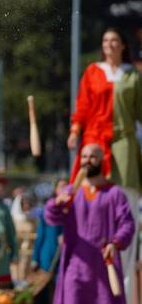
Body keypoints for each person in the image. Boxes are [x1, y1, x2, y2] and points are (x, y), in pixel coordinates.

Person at [68, 27, 142, 302]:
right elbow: (83, 106)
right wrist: (75, 130)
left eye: (114, 40)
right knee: (85, 214)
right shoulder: (92, 71)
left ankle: (124, 295)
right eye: (105, 41)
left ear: (123, 45)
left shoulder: (133, 75)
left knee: (126, 217)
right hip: (94, 147)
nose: (109, 44)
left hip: (123, 147)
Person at [45, 144, 135, 304]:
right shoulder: (71, 191)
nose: (88, 161)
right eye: (84, 156)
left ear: (102, 160)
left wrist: (115, 243)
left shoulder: (115, 193)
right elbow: (51, 218)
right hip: (76, 266)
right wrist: (56, 202)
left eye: (93, 156)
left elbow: (127, 224)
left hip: (103, 265)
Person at [31, 178, 67, 303]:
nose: (64, 190)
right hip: (47, 259)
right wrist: (35, 258)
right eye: (61, 187)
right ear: (55, 190)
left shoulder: (71, 210)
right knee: (43, 293)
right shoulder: (49, 210)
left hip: (63, 260)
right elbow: (40, 237)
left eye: (66, 187)